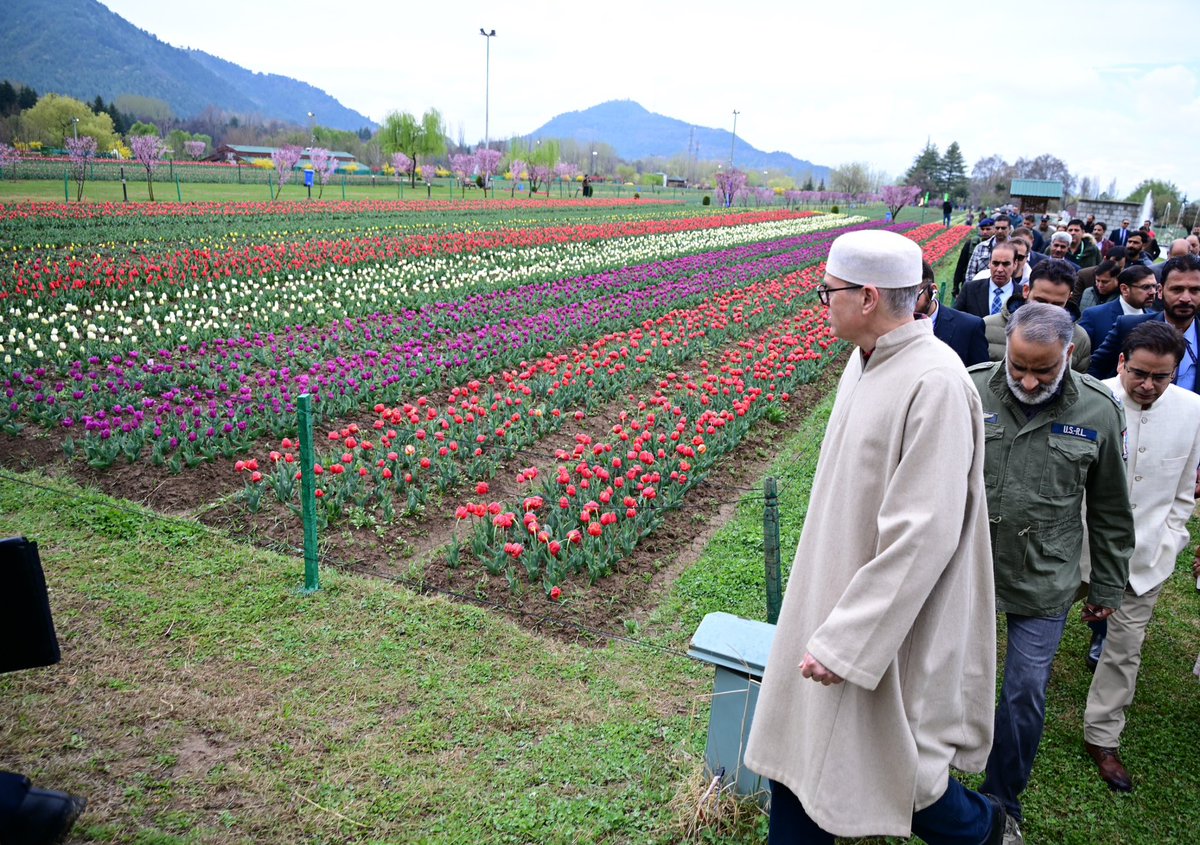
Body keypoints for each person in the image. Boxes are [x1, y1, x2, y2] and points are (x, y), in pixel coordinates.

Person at [745, 229, 1005, 845]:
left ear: (866, 298)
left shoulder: (934, 382)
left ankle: (983, 830)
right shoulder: (863, 361)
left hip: (881, 625)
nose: (820, 302)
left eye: (826, 292)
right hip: (825, 595)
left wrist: (847, 640)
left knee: (895, 772)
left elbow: (923, 533)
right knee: (803, 757)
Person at [969, 302, 1135, 833]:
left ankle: (1002, 802)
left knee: (1024, 692)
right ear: (1007, 347)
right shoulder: (970, 390)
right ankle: (926, 781)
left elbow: (1110, 508)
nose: (1029, 379)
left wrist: (1107, 583)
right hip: (968, 568)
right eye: (1019, 366)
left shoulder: (1098, 410)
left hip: (1046, 574)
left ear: (1069, 353)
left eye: (1044, 368)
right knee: (943, 676)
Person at [1082, 321, 1200, 791]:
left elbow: (1183, 492)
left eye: (1162, 377)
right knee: (1038, 638)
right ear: (1121, 363)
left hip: (1146, 556)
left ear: (1176, 373)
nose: (1148, 386)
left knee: (1125, 650)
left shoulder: (1192, 410)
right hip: (1076, 548)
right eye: (1140, 374)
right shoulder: (1091, 398)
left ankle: (1102, 736)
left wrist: (1172, 539)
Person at [1089, 255, 1200, 384]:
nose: (1185, 298)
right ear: (1160, 291)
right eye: (1177, 289)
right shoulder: (1129, 327)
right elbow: (1094, 374)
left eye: (1195, 290)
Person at [981, 258, 1092, 373]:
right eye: (1041, 301)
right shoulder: (988, 327)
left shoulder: (1080, 339)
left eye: (1057, 304)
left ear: (1069, 298)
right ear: (1026, 291)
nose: (1047, 310)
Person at [917, 259, 989, 366]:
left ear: (932, 291)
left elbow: (980, 378)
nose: (904, 305)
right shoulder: (889, 326)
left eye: (913, 297)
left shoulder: (969, 327)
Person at [1078, 265, 1157, 350]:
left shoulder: (1155, 319)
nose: (1153, 292)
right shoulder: (1094, 316)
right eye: (1146, 287)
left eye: (1154, 286)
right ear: (1124, 289)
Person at [956, 242, 1018, 318]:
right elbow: (955, 319)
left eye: (1005, 264)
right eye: (995, 263)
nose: (999, 269)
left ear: (1015, 264)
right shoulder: (970, 289)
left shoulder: (1022, 295)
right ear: (989, 263)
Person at [966, 215, 1011, 280]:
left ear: (1009, 229)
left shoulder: (1016, 248)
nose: (1000, 231)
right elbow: (970, 272)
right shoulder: (981, 247)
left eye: (1003, 228)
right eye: (997, 228)